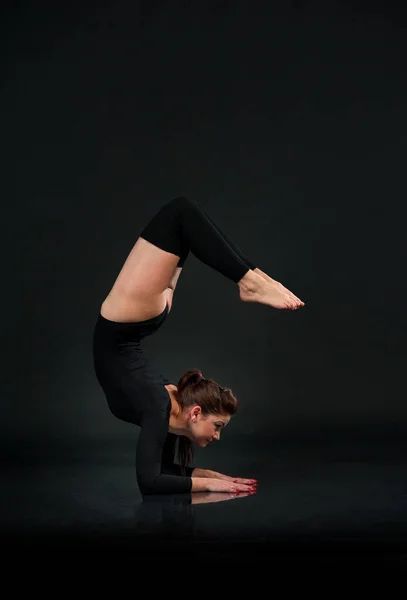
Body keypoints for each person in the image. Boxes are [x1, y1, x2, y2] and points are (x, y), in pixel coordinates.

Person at [92, 196, 304, 496]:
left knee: (181, 217)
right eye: (218, 426)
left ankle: (253, 279)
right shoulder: (162, 408)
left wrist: (215, 478)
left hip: (128, 322)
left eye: (218, 427)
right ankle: (252, 279)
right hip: (127, 322)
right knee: (180, 215)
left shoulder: (162, 412)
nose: (217, 436)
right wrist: (211, 484)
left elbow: (156, 477)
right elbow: (152, 481)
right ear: (194, 413)